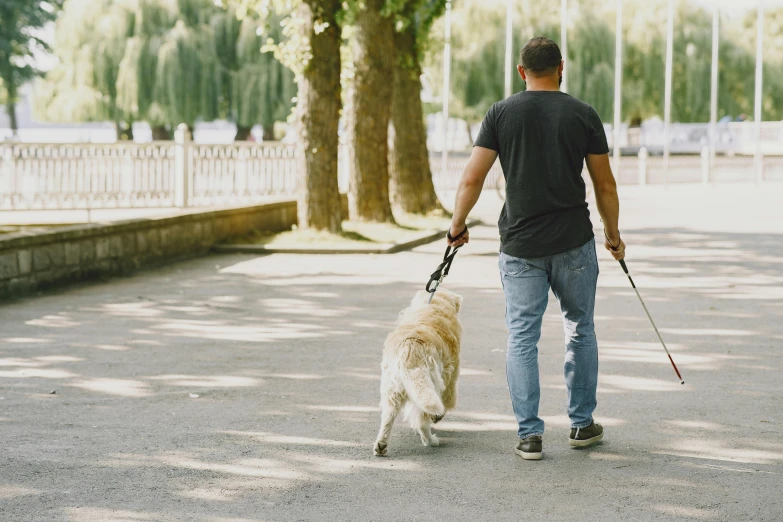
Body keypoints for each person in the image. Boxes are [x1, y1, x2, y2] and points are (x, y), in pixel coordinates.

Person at [446, 37, 625, 461]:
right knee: (580, 328)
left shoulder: (501, 113)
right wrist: (613, 235)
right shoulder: (583, 114)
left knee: (522, 336)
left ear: (521, 71)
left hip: (521, 245)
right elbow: (605, 184)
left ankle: (529, 435)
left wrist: (456, 226)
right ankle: (582, 425)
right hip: (574, 243)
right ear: (561, 67)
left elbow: (471, 179)